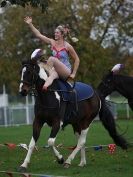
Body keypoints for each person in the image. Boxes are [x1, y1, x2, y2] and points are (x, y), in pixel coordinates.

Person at [24, 16, 80, 91]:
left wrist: (73, 74)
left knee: (51, 59)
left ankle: (45, 72)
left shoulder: (68, 46)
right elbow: (39, 35)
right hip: (55, 71)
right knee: (50, 76)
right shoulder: (52, 42)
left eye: (57, 33)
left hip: (66, 72)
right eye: (55, 33)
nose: (55, 34)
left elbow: (77, 59)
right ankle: (44, 87)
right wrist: (30, 24)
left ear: (62, 34)